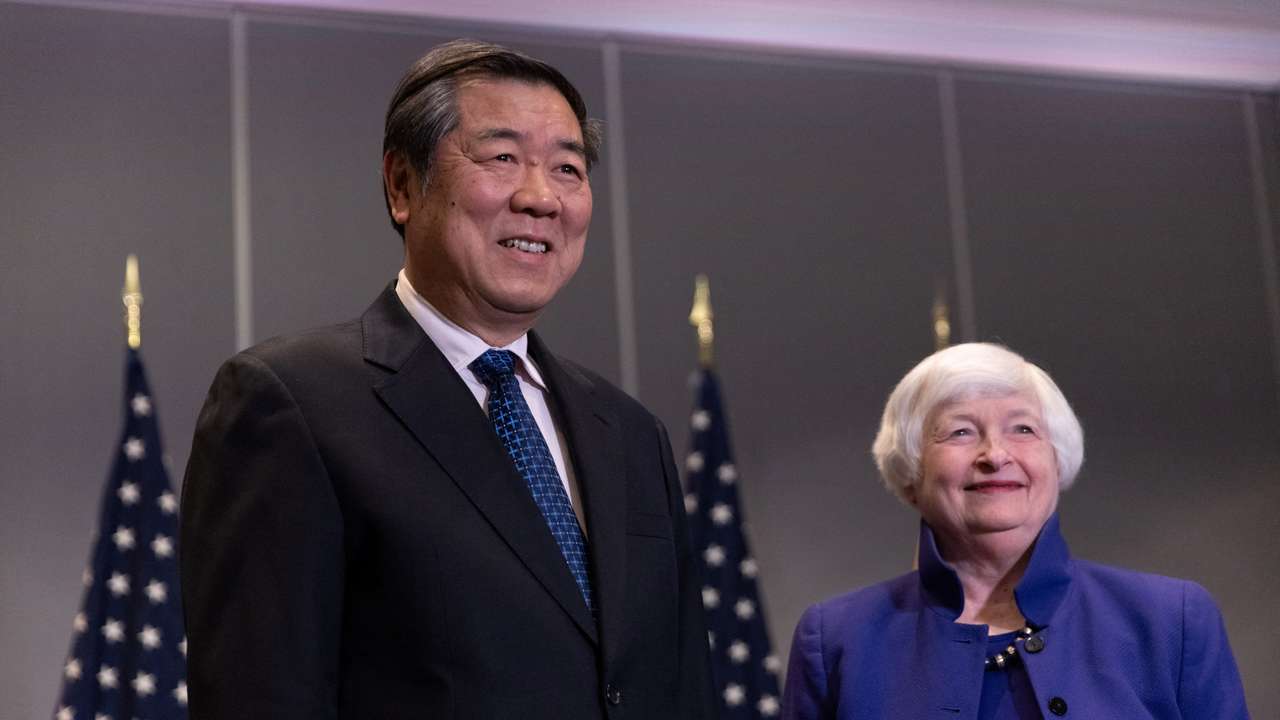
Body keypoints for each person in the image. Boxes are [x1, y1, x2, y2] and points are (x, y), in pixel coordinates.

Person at [180, 39, 714, 719]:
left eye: (567, 168)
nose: (541, 198)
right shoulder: (289, 404)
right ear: (403, 185)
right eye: (502, 158)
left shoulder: (632, 434)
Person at [781, 343, 1249, 719]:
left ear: (1057, 461)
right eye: (960, 432)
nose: (995, 454)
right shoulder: (837, 641)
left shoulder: (1171, 622)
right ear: (910, 473)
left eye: (1023, 429)